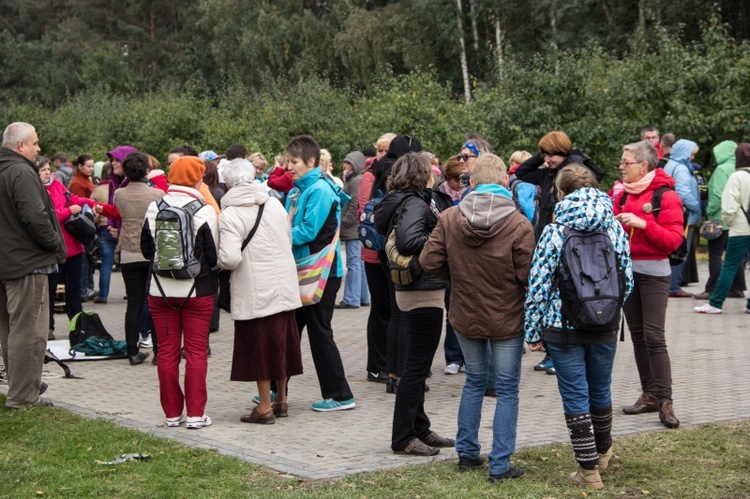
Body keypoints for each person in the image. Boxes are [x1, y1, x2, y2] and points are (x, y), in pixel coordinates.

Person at [421, 153, 534, 481]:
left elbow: (429, 261)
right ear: (503, 182)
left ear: (472, 182)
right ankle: (500, 464)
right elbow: (527, 273)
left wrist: (455, 276)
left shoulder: (450, 217)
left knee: (474, 382)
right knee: (507, 388)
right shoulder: (517, 222)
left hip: (465, 310)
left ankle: (467, 454)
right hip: (507, 315)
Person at [526, 165, 633, 489]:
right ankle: (602, 452)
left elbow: (539, 284)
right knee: (600, 389)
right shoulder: (613, 227)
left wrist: (533, 330)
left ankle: (588, 472)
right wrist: (608, 310)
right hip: (605, 324)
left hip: (563, 327)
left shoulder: (554, 231)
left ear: (560, 193)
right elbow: (626, 278)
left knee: (575, 394)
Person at [374, 151, 454, 456]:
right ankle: (404, 436)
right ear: (423, 175)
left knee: (416, 365)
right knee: (416, 367)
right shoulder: (416, 203)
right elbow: (409, 241)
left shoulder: (398, 200)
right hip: (423, 291)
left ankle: (420, 427)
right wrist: (439, 238)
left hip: (411, 289)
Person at [218, 158, 304, 424]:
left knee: (260, 349)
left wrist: (219, 260)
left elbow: (230, 259)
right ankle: (282, 400)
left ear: (228, 182)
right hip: (284, 286)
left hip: (254, 289)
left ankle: (264, 407)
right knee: (281, 344)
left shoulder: (230, 214)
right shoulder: (274, 204)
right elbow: (288, 239)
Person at [142, 155, 219, 429]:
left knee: (166, 353)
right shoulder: (205, 210)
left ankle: (172, 414)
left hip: (160, 292)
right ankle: (196, 415)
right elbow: (213, 256)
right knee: (196, 353)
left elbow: (146, 250)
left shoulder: (154, 207)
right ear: (198, 178)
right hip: (197, 292)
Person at [613, 140, 683, 429]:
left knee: (655, 337)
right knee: (638, 337)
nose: (621, 166)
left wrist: (643, 224)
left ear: (643, 165)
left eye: (625, 161)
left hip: (655, 273)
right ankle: (650, 394)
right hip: (628, 273)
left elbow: (673, 241)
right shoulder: (621, 195)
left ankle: (666, 402)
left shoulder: (666, 197)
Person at [284, 135, 355, 412]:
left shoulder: (320, 190)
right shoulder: (301, 189)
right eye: (288, 161)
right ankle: (277, 389)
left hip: (321, 273)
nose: (289, 167)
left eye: (294, 162)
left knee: (319, 333)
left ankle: (340, 395)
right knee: (291, 330)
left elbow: (307, 232)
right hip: (304, 271)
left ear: (311, 162)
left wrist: (276, 235)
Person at [0, 122, 66, 409]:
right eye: (35, 143)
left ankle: (22, 385)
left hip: (7, 262)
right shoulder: (20, 171)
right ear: (20, 146)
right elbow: (35, 217)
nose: (39, 149)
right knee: (30, 331)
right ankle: (23, 396)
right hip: (27, 263)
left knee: (9, 329)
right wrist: (55, 244)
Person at [368, 134, 424, 391]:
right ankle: (404, 375)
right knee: (407, 317)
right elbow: (410, 238)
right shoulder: (413, 199)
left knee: (394, 315)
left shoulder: (383, 184)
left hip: (385, 255)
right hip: (407, 260)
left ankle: (391, 373)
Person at [42, 158, 115, 324]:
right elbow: (46, 217)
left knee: (74, 288)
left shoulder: (57, 185)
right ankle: (49, 326)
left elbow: (74, 199)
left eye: (48, 169)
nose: (47, 173)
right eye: (43, 170)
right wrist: (68, 211)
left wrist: (96, 205)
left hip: (73, 247)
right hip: (53, 248)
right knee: (50, 290)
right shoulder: (36, 191)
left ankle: (77, 324)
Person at [115, 152, 165, 365]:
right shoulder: (158, 194)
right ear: (147, 170)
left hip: (129, 252)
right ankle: (158, 352)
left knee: (133, 303)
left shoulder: (119, 194)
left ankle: (132, 351)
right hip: (152, 252)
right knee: (154, 302)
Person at [357, 132, 397, 386]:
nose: (382, 156)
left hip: (392, 253)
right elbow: (365, 213)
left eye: (387, 151)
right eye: (380, 151)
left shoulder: (393, 174)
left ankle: (392, 362)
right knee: (381, 309)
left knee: (393, 310)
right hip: (374, 253)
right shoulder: (369, 177)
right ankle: (377, 365)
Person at [694, 143, 750, 315]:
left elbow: (729, 205)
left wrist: (728, 221)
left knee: (729, 265)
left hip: (740, 229)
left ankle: (716, 303)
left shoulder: (737, 176)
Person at [90, 146, 130, 304]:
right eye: (111, 160)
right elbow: (114, 206)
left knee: (114, 263)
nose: (113, 163)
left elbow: (128, 211)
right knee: (111, 263)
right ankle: (109, 294)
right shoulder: (115, 184)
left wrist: (118, 228)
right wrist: (112, 226)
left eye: (116, 160)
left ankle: (104, 295)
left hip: (126, 233)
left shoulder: (131, 184)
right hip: (111, 229)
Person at [662, 139, 701, 298]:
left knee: (672, 249)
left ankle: (670, 284)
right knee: (680, 250)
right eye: (691, 154)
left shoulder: (670, 164)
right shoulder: (682, 169)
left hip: (671, 212)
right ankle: (674, 286)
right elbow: (684, 193)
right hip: (684, 214)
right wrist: (696, 206)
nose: (692, 157)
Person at [336, 150, 370, 310]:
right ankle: (363, 297)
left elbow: (354, 203)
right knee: (359, 263)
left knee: (354, 263)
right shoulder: (356, 179)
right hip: (356, 229)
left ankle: (351, 298)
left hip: (352, 230)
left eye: (348, 163)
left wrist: (343, 223)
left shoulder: (356, 180)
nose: (345, 165)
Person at [69, 154, 98, 303]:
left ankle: (89, 287)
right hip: (83, 225)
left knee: (89, 259)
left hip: (89, 223)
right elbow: (80, 207)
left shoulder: (86, 180)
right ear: (79, 166)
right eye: (88, 166)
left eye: (92, 166)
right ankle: (84, 289)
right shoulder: (77, 183)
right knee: (85, 259)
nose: (91, 169)